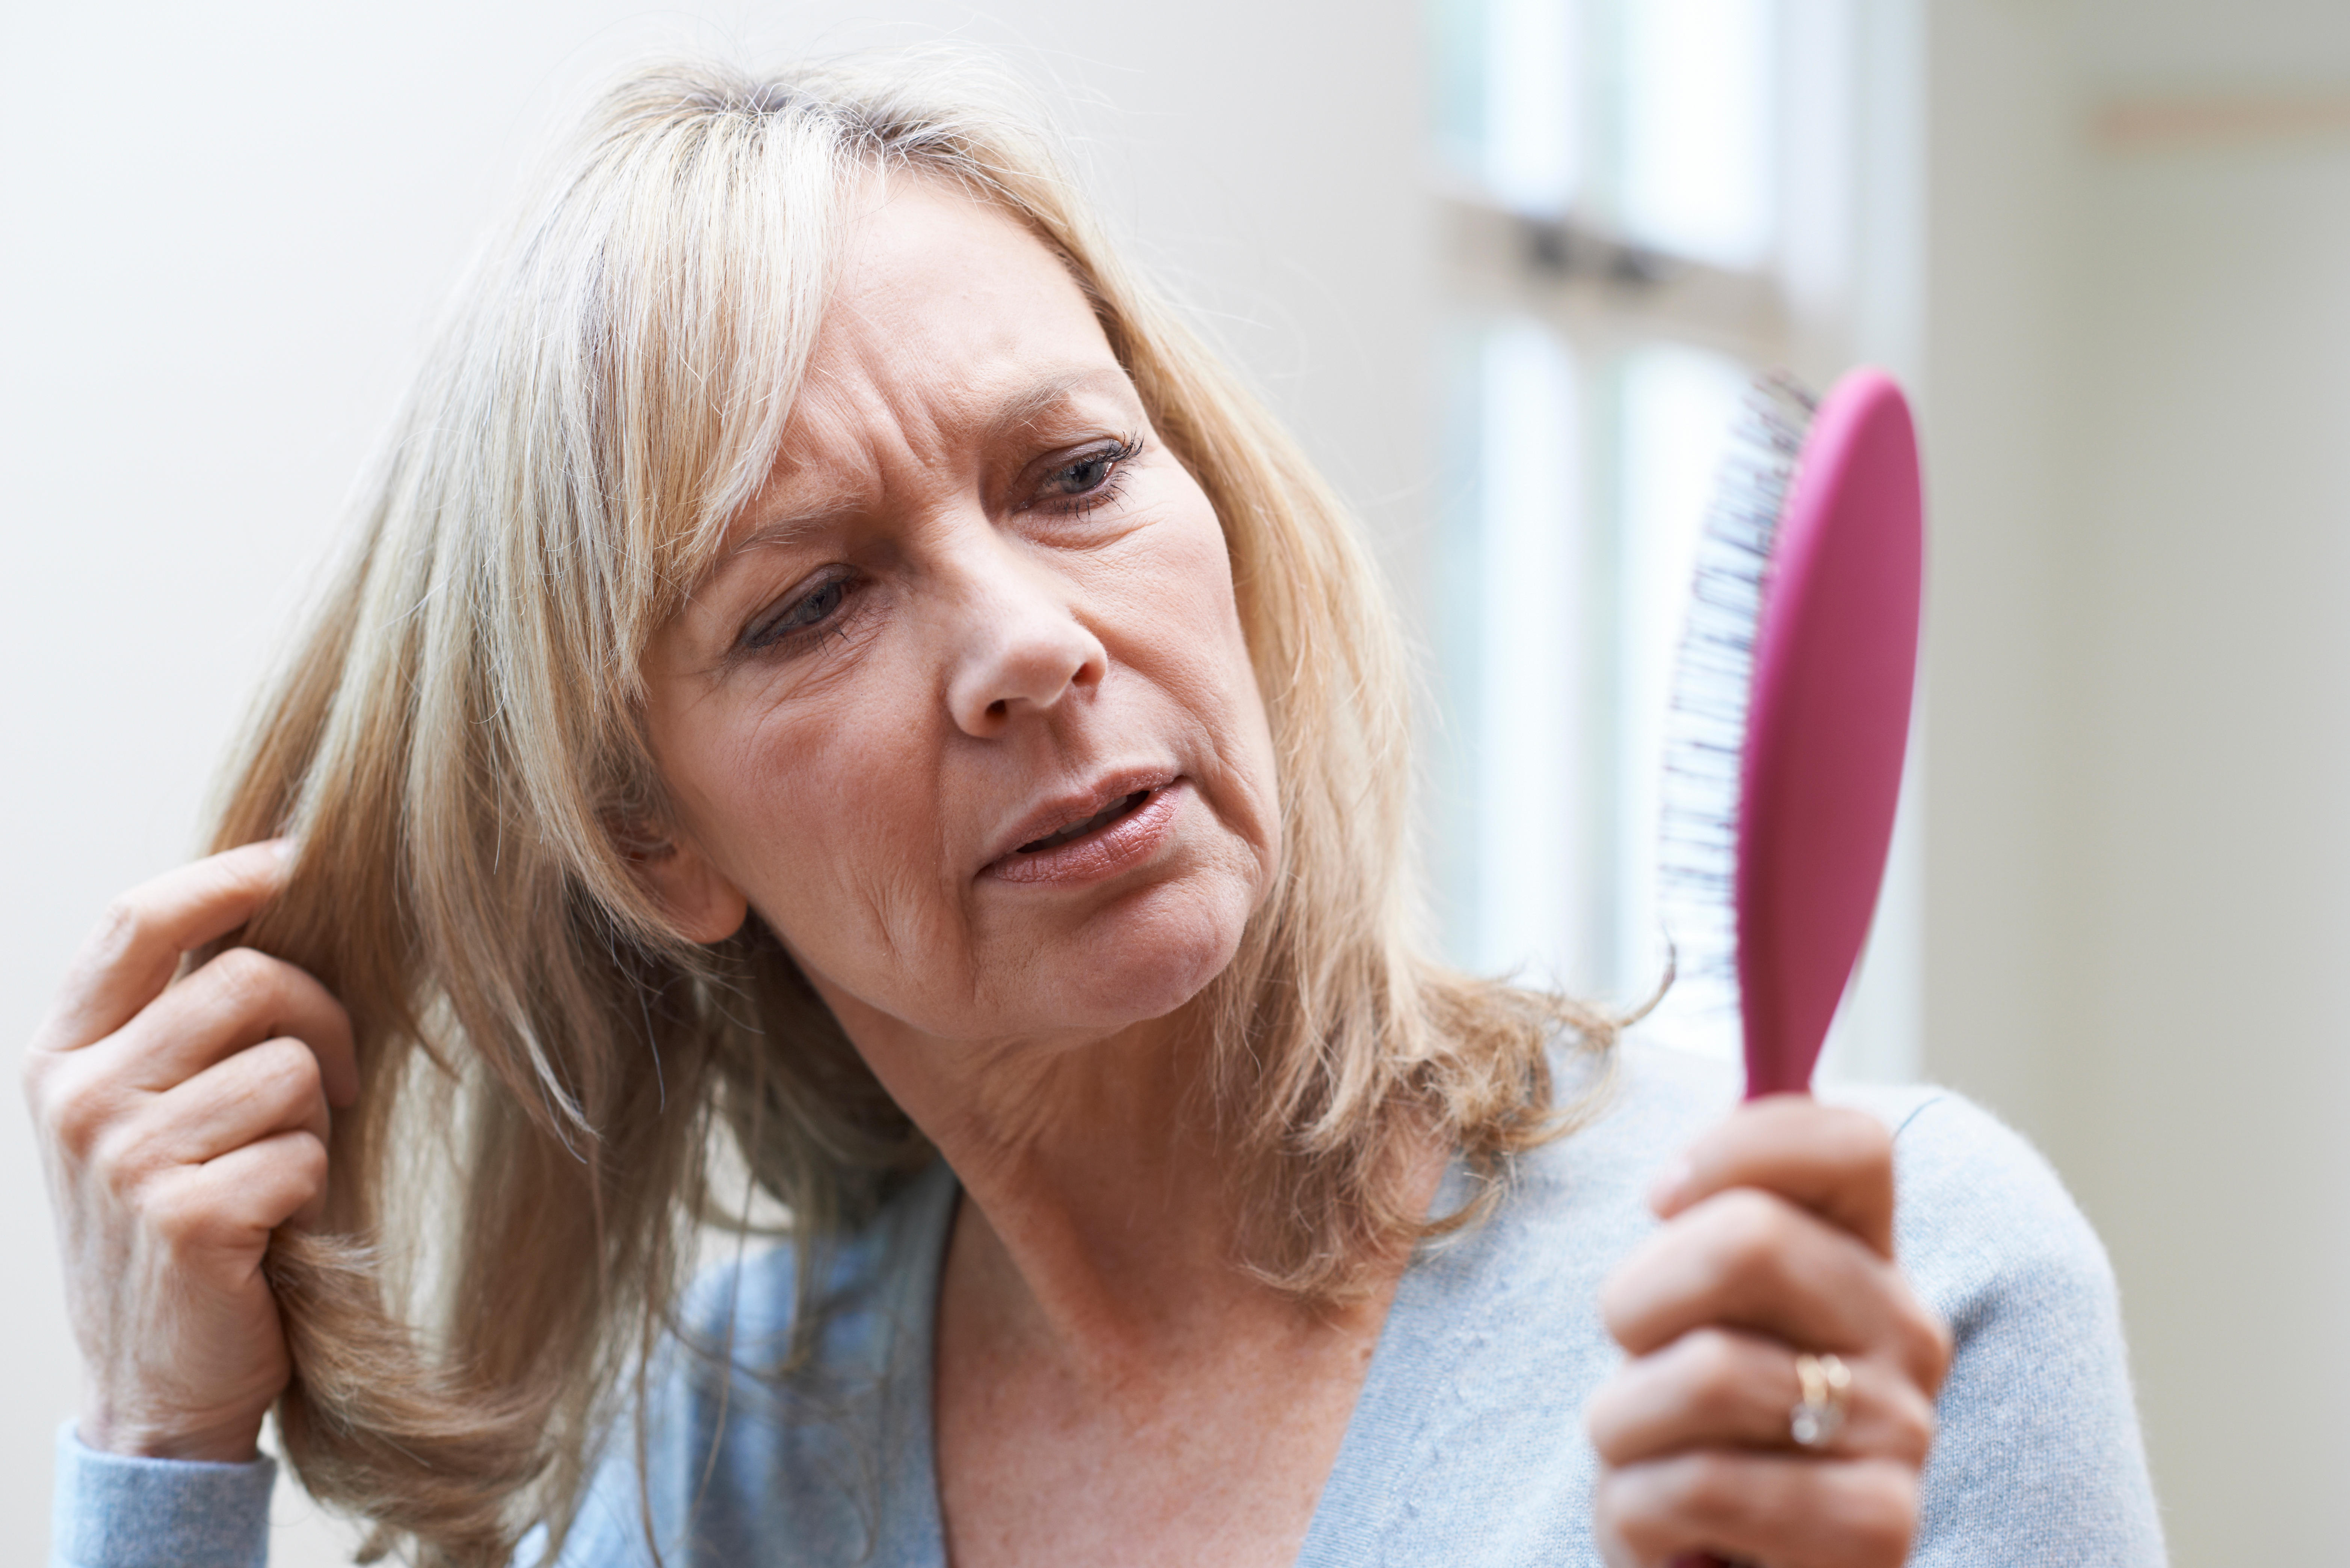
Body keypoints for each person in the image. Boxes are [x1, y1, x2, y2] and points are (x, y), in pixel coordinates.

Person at [25, 56, 2162, 1568]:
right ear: (653, 840)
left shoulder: (1888, 1292)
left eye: (1073, 476)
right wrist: (157, 1458)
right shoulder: (714, 1475)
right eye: (814, 601)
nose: (1030, 641)